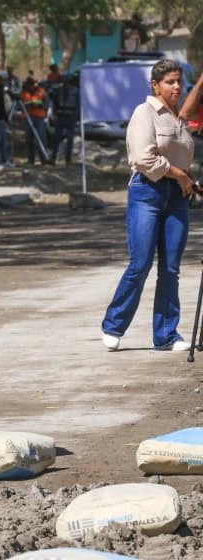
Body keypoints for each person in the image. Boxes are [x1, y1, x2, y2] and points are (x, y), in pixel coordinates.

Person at [101, 59, 203, 352]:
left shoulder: (179, 119)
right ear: (155, 85)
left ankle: (166, 335)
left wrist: (189, 179)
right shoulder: (144, 113)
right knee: (141, 263)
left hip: (177, 198)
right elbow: (143, 158)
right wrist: (179, 174)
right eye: (170, 82)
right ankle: (113, 326)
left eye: (178, 81)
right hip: (147, 193)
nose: (176, 87)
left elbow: (181, 160)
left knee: (170, 268)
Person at [49, 74, 80, 165]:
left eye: (67, 82)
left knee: (70, 138)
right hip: (60, 117)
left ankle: (68, 159)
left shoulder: (76, 91)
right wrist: (54, 114)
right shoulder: (58, 91)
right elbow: (54, 103)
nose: (66, 84)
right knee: (56, 138)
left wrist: (75, 117)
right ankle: (53, 157)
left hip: (70, 118)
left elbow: (78, 106)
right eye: (64, 82)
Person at [19, 75, 50, 165]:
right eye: (29, 84)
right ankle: (30, 159)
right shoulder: (24, 93)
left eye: (32, 84)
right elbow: (20, 105)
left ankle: (43, 159)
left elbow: (46, 105)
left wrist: (36, 105)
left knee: (41, 138)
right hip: (28, 117)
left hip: (39, 118)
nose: (30, 86)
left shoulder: (42, 92)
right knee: (29, 139)